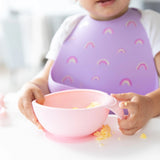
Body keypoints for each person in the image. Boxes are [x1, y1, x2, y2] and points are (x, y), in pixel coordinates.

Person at [18, 0, 160, 135]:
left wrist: (150, 105)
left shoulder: (152, 23)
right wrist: (31, 87)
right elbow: (44, 81)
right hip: (74, 138)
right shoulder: (69, 27)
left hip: (139, 138)